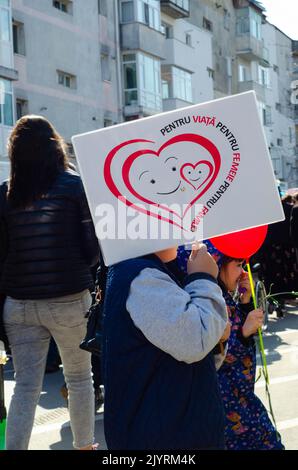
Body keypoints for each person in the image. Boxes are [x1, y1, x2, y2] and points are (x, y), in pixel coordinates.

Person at [0, 115, 100, 450]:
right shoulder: (75, 187)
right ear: (55, 146)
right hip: (70, 299)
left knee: (25, 387)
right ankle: (85, 446)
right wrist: (79, 272)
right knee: (79, 379)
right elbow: (92, 247)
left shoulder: (5, 194)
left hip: (19, 304)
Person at [102, 243, 229, 450]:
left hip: (168, 428)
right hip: (165, 436)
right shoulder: (142, 277)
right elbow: (195, 340)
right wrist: (204, 278)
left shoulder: (146, 270)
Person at [177, 243, 284, 450]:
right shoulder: (212, 304)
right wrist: (243, 333)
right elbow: (220, 357)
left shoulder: (222, 298)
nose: (243, 272)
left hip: (240, 401)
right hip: (228, 409)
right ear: (216, 266)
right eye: (238, 265)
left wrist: (245, 304)